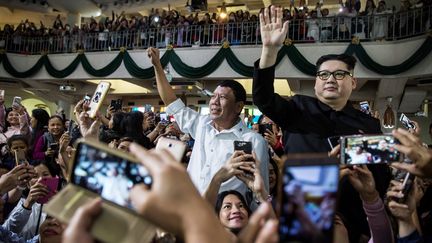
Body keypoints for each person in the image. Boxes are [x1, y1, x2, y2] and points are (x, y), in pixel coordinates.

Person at [253, 6, 390, 242]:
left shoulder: (369, 125)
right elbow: (263, 98)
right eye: (323, 75)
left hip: (353, 220)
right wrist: (269, 51)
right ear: (316, 83)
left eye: (339, 75)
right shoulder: (297, 109)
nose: (330, 80)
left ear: (353, 82)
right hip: (304, 213)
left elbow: (379, 180)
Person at [148, 47, 269, 197]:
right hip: (193, 208)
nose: (214, 102)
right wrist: (157, 66)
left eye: (223, 98)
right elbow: (171, 102)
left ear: (238, 106)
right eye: (213, 96)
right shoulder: (201, 125)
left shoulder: (253, 141)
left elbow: (260, 189)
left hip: (225, 215)